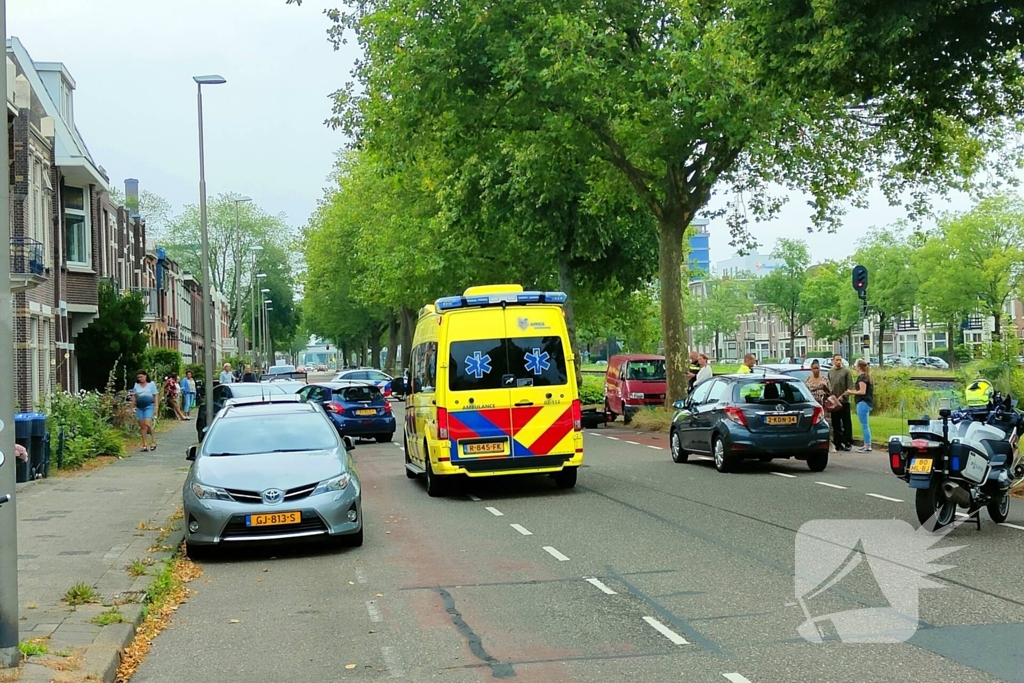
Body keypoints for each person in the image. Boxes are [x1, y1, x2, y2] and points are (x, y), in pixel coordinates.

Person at [845, 359, 874, 452]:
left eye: (855, 365)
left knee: (864, 425)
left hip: (863, 403)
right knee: (865, 425)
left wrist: (851, 392)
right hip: (866, 402)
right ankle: (866, 444)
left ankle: (867, 445)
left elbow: (862, 391)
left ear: (859, 367)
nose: (854, 367)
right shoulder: (867, 376)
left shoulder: (862, 378)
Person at [827, 354, 855, 451]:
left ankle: (847, 441)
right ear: (833, 361)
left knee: (846, 422)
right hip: (834, 401)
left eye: (840, 360)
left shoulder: (846, 371)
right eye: (837, 360)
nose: (838, 362)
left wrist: (844, 396)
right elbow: (829, 385)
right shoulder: (830, 372)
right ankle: (838, 442)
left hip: (844, 401)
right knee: (836, 423)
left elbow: (850, 386)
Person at [131, 371, 159, 452]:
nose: (140, 379)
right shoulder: (136, 385)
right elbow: (134, 396)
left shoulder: (151, 384)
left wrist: (156, 407)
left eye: (141, 377)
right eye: (138, 377)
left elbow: (155, 395)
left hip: (149, 406)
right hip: (140, 407)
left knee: (147, 423)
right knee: (142, 426)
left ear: (146, 376)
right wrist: (131, 406)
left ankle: (153, 441)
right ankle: (145, 444)